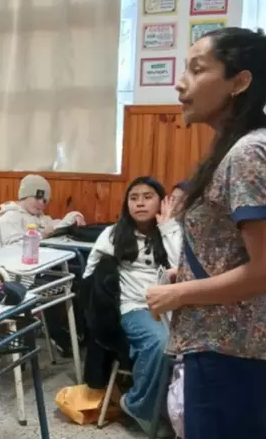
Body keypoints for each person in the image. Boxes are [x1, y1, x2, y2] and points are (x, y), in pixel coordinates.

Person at [147, 28, 266, 439]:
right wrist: (189, 274)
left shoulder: (249, 152)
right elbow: (240, 254)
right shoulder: (256, 142)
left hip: (230, 350)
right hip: (237, 349)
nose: (181, 83)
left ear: (239, 82)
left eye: (197, 70)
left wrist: (179, 294)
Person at [83, 176, 180, 437]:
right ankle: (138, 405)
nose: (140, 203)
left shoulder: (172, 231)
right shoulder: (113, 234)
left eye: (148, 197)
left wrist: (168, 227)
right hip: (136, 307)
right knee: (160, 343)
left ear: (161, 202)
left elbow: (180, 267)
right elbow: (90, 275)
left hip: (173, 307)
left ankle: (172, 409)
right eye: (134, 198)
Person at [0, 174, 86, 246]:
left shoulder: (39, 217)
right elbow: (12, 247)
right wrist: (41, 235)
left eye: (44, 201)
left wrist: (75, 216)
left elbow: (57, 225)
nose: (41, 203)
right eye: (37, 198)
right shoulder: (10, 217)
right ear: (24, 196)